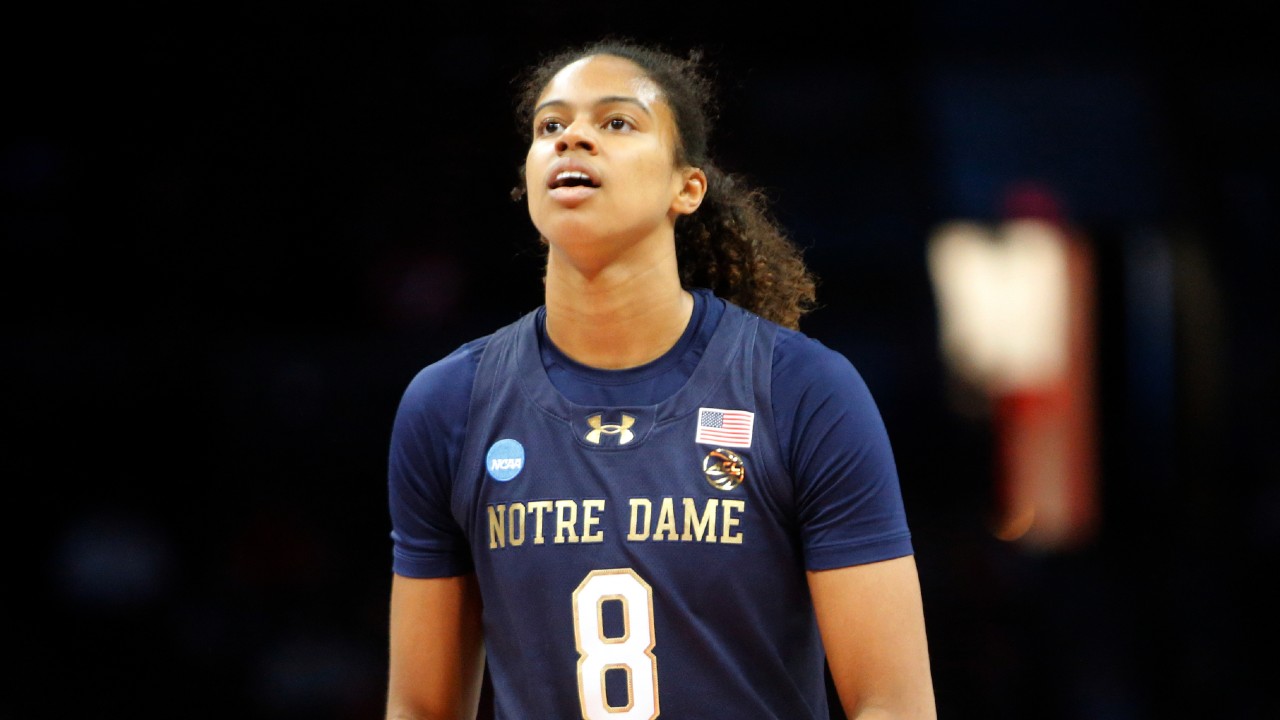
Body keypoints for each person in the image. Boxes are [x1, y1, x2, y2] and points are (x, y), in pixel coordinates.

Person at [385, 38, 936, 720]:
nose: (572, 138)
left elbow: (894, 703)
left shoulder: (802, 390)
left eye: (617, 121)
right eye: (550, 126)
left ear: (687, 188)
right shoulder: (450, 403)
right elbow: (421, 707)